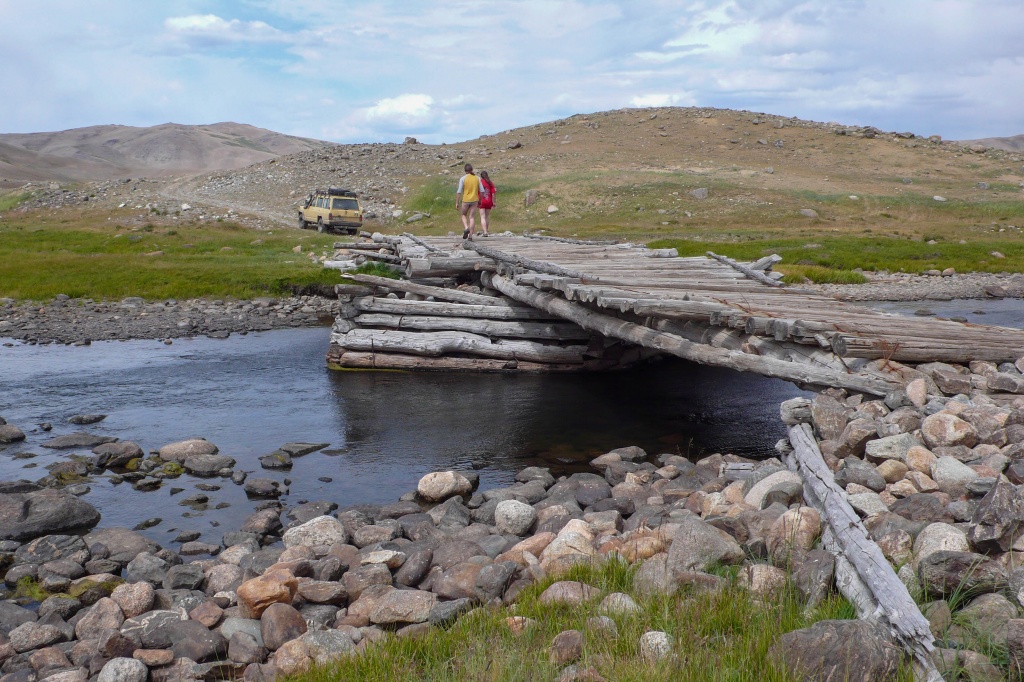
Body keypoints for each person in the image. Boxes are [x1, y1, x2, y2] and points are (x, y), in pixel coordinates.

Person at [455, 163, 480, 240]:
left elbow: (459, 191)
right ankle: (470, 236)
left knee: (463, 215)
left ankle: (466, 227)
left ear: (465, 170)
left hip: (466, 200)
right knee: (472, 217)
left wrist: (457, 202)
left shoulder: (463, 178)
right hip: (475, 199)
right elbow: (481, 191)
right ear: (472, 170)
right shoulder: (477, 178)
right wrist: (480, 200)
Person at [478, 170, 496, 236]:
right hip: (489, 201)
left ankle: (485, 232)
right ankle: (486, 231)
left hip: (481, 201)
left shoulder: (480, 182)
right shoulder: (490, 182)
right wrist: (494, 202)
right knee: (486, 217)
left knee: (482, 217)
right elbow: (493, 193)